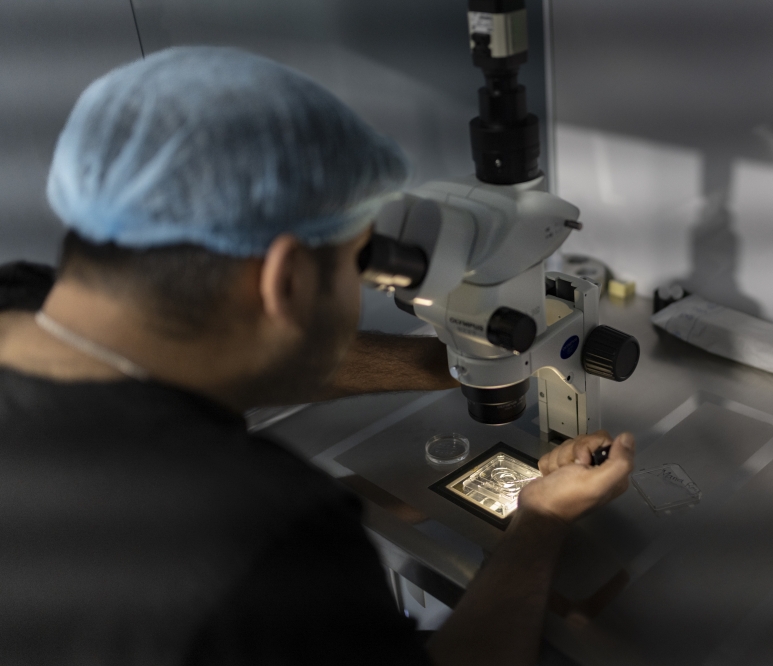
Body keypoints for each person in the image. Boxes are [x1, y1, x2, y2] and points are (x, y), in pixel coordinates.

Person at [0, 47, 635, 666]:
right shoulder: (265, 536)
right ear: (288, 281)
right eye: (358, 262)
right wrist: (540, 521)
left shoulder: (25, 298)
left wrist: (464, 356)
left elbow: (243, 349)